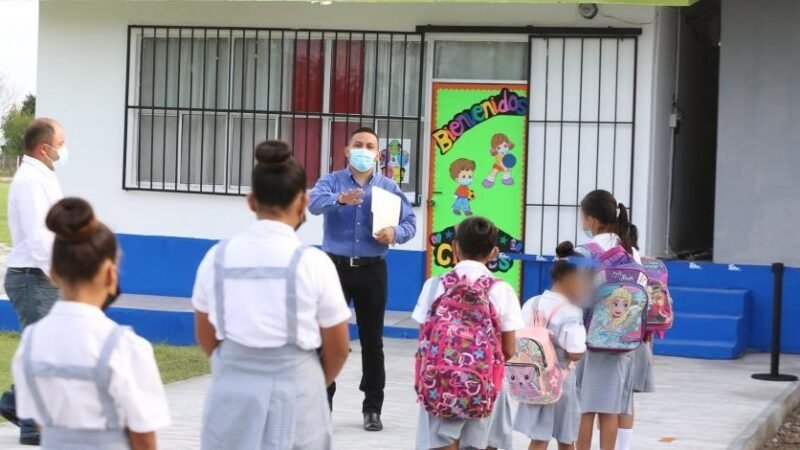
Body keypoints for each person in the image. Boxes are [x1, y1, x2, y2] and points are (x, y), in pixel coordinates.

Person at [193, 141, 351, 450]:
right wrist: (311, 383)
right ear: (303, 201)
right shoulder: (314, 263)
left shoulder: (217, 257)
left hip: (232, 390)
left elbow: (206, 334)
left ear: (251, 201)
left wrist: (237, 366)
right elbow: (339, 348)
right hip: (297, 391)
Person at [12, 198, 170, 450]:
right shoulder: (125, 347)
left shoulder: (29, 343)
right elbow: (144, 437)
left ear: (52, 273)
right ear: (110, 274)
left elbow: (41, 422)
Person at [308, 127, 417, 431]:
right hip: (334, 268)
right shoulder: (331, 182)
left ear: (378, 154)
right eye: (359, 145)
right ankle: (322, 404)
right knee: (326, 338)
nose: (364, 150)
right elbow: (314, 204)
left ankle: (372, 408)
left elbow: (409, 223)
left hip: (372, 269)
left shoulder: (389, 188)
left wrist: (395, 233)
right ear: (346, 150)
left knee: (372, 341)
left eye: (370, 146)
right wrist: (340, 200)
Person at [412, 216, 524, 450]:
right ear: (494, 253)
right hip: (485, 386)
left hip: (439, 385)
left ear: (455, 248)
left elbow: (424, 339)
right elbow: (509, 349)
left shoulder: (434, 285)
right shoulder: (502, 290)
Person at [0, 118, 66, 445]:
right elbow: (40, 237)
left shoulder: (42, 176)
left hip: (40, 276)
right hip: (34, 277)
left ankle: (14, 403)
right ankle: (30, 426)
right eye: (61, 144)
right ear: (44, 148)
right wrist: (60, 276)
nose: (64, 150)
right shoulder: (30, 182)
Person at [575, 189, 641, 450]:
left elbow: (575, 298)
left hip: (587, 338)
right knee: (611, 407)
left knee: (583, 408)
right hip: (622, 339)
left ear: (591, 220)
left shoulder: (582, 253)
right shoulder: (630, 250)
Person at [513, 241, 588, 450]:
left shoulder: (532, 302)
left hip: (533, 379)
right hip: (560, 382)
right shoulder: (571, 311)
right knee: (566, 439)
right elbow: (574, 353)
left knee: (539, 438)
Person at [617, 224, 655, 450]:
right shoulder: (644, 265)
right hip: (638, 339)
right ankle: (624, 446)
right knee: (627, 399)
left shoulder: (615, 263)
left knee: (608, 402)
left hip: (611, 339)